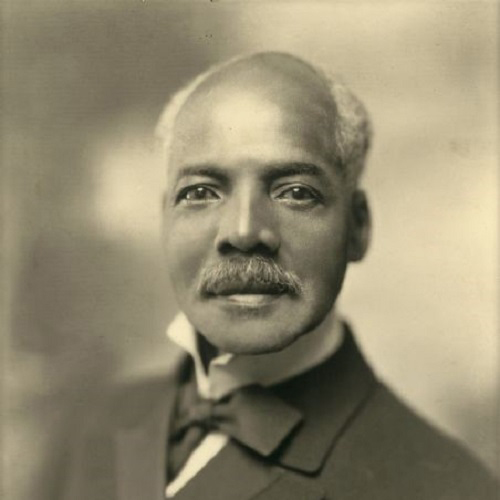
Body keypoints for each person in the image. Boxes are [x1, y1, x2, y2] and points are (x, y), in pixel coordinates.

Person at [62, 52, 497, 500]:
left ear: (358, 227)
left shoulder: (446, 487)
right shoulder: (104, 419)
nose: (244, 231)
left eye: (295, 193)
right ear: (164, 218)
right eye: (200, 192)